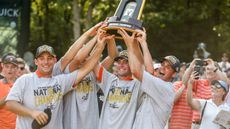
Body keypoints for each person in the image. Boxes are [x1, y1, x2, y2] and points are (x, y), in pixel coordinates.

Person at [5, 32, 112, 129]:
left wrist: (100, 45)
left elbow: (86, 67)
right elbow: (10, 104)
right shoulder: (25, 80)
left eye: (49, 58)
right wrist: (32, 113)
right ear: (36, 61)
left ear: (55, 60)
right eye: (41, 59)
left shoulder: (60, 82)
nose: (45, 62)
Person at [118, 28, 180, 129]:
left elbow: (136, 71)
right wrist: (140, 43)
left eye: (168, 67)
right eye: (162, 64)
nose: (162, 68)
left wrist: (129, 45)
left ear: (174, 75)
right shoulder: (157, 83)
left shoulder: (165, 88)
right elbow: (147, 67)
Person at [94, 47, 141, 129]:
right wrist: (101, 42)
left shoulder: (138, 85)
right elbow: (93, 63)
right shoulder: (109, 80)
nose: (121, 65)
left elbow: (145, 68)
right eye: (119, 62)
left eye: (126, 62)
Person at [0, 54, 18, 129]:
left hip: (20, 126)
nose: (9, 70)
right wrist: (10, 95)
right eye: (7, 67)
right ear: (3, 67)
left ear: (16, 69)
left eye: (12, 67)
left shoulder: (21, 83)